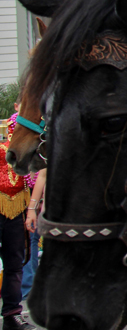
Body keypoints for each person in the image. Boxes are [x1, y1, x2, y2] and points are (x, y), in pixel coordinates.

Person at [0, 110, 35, 330]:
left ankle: (12, 315)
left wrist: (30, 210)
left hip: (15, 210)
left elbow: (31, 179)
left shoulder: (21, 151)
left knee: (15, 263)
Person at [21, 169, 44, 300]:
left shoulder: (41, 159)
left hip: (37, 204)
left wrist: (36, 204)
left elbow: (43, 177)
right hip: (24, 202)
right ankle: (30, 285)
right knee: (30, 241)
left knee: (32, 240)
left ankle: (30, 285)